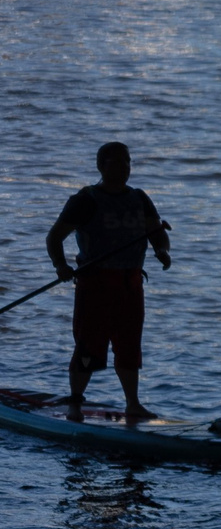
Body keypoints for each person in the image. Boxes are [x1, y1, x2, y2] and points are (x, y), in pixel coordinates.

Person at [45, 141, 171, 422]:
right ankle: (75, 404)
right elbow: (54, 237)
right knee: (89, 346)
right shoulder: (86, 199)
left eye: (127, 162)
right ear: (101, 166)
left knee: (129, 346)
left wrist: (162, 251)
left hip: (130, 285)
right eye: (116, 162)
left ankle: (133, 405)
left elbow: (158, 233)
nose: (123, 167)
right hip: (95, 285)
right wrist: (60, 265)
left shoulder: (139, 198)